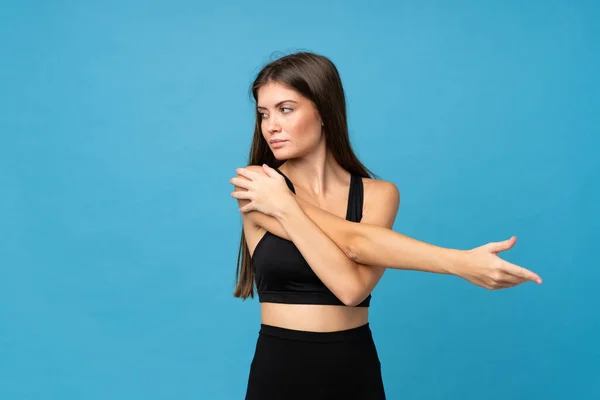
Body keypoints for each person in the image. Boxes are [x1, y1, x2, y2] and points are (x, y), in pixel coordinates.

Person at [229, 51, 542, 399]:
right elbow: (350, 267)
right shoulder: (257, 185)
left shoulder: (378, 195)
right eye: (263, 114)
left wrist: (287, 208)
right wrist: (460, 263)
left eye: (285, 109)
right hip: (280, 372)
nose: (271, 125)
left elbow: (355, 266)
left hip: (353, 370)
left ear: (323, 111)